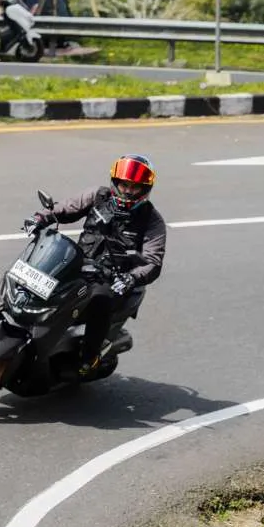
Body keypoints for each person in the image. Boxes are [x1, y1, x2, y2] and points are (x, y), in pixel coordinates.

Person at [27, 154, 167, 376]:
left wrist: (132, 278)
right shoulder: (97, 196)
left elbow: (153, 261)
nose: (128, 191)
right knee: (38, 272)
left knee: (99, 298)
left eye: (135, 187)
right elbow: (65, 209)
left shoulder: (152, 220)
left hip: (113, 277)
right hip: (79, 262)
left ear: (145, 189)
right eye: (124, 184)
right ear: (115, 182)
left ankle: (89, 357)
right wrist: (41, 218)